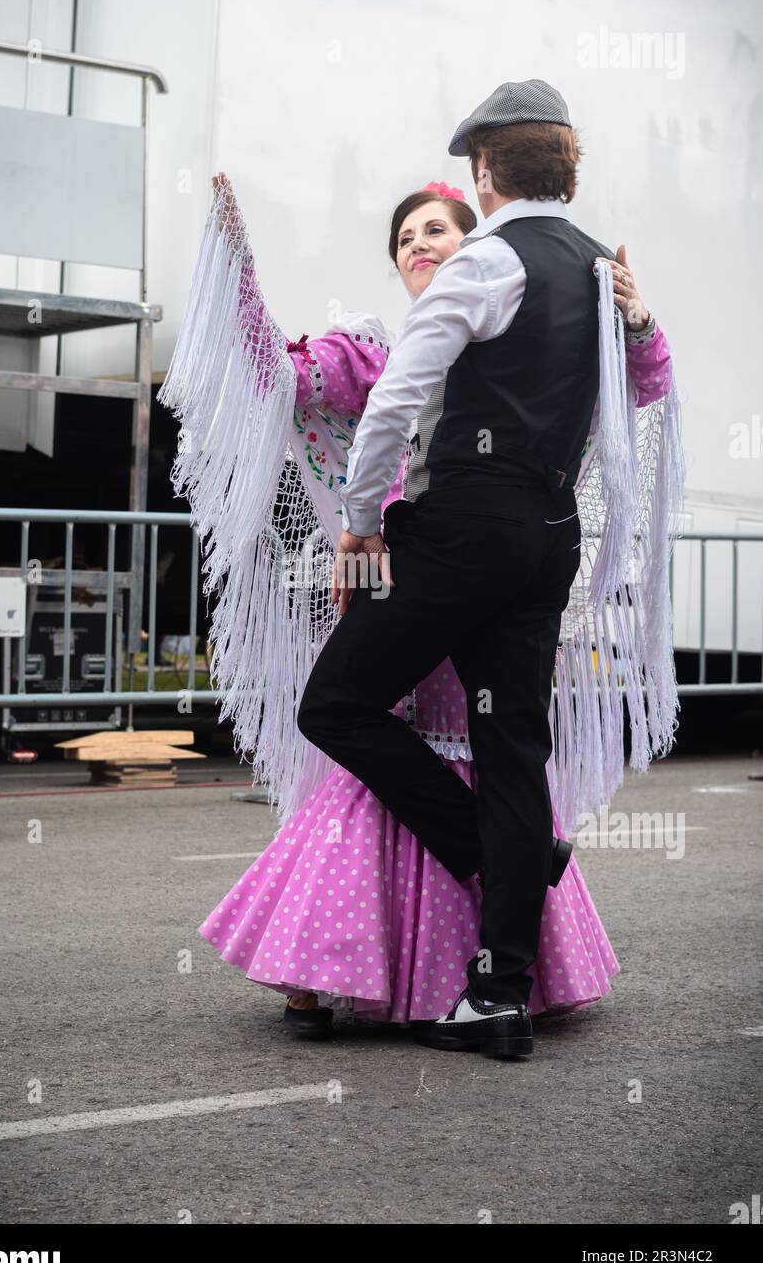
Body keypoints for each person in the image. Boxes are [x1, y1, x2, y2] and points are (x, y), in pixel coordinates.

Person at [158, 136, 680, 1047]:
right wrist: (234, 271)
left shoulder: (510, 303)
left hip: (450, 561)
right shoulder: (371, 349)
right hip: (419, 571)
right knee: (409, 755)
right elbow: (275, 377)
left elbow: (638, 388)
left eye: (436, 227)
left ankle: (492, 952)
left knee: (465, 746)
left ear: (473, 237)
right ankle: (372, 963)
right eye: (403, 236)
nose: (418, 244)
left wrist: (637, 322)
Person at [294, 80, 684, 1057]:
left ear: (483, 170)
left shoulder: (485, 261)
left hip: (461, 526)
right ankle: (498, 994)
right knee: (511, 751)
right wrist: (638, 324)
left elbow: (395, 398)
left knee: (334, 703)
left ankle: (479, 848)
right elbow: (638, 400)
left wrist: (358, 523)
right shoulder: (599, 268)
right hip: (547, 533)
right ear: (565, 166)